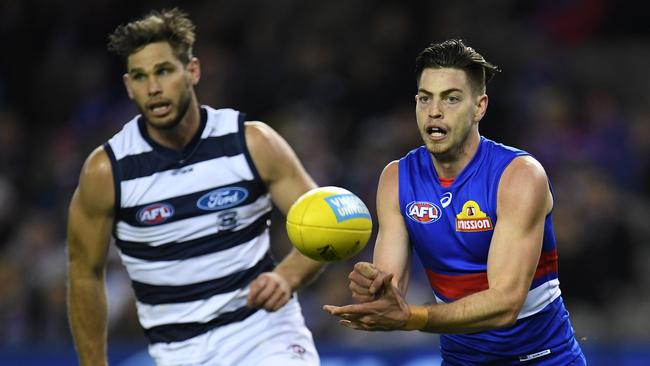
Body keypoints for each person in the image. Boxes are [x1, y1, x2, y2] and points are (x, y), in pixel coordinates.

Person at [66, 8, 324, 366]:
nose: (153, 88)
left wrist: (287, 276)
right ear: (128, 87)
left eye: (164, 71)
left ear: (193, 71)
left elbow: (325, 226)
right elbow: (84, 273)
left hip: (265, 336)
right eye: (140, 77)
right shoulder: (106, 171)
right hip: (176, 353)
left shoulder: (251, 143)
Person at [324, 39, 586, 365]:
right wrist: (374, 290)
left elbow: (506, 304)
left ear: (480, 106)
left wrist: (412, 318)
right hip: (460, 360)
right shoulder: (396, 179)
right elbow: (392, 288)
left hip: (543, 359)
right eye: (425, 98)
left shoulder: (519, 176)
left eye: (451, 99)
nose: (434, 111)